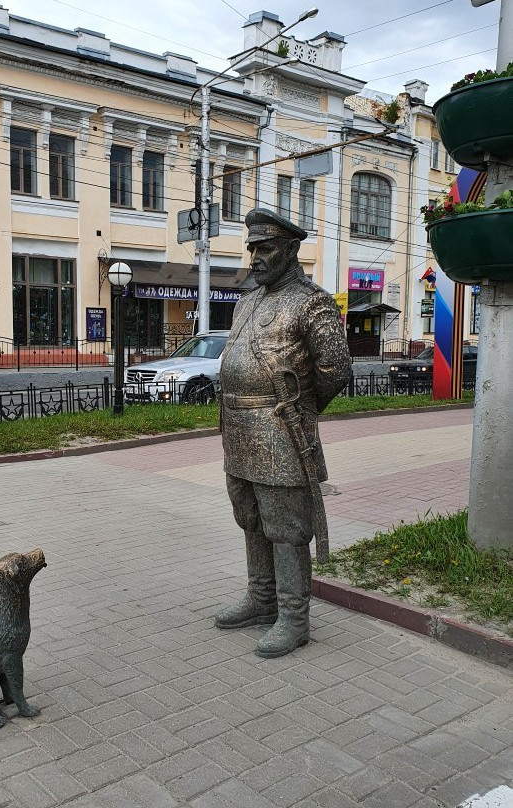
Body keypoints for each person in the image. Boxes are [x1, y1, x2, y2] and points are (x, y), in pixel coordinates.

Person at [215, 208, 352, 658]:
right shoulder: (247, 300)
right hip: (237, 427)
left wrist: (299, 411)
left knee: (287, 526)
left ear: (291, 250)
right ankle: (261, 599)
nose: (255, 256)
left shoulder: (312, 302)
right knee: (250, 515)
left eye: (265, 247)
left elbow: (335, 370)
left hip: (279, 430)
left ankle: (294, 618)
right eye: (252, 247)